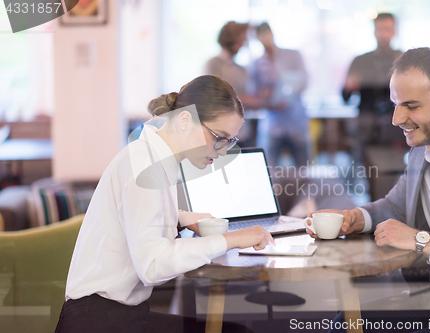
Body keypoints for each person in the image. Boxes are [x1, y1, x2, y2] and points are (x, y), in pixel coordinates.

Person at [55, 75, 275, 333]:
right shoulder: (146, 165)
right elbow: (153, 265)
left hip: (118, 315)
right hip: (98, 322)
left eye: (230, 141)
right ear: (184, 120)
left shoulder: (154, 158)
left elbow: (135, 215)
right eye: (219, 137)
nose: (223, 151)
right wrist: (234, 238)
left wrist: (179, 216)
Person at [310, 48, 430, 332]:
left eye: (411, 106)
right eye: (395, 105)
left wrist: (422, 241)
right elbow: (397, 205)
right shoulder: (423, 143)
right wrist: (354, 217)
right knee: (345, 321)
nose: (397, 119)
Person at [342, 13, 404, 181]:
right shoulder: (360, 61)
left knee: (396, 176)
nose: (383, 34)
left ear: (394, 31)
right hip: (367, 129)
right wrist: (350, 86)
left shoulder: (403, 60)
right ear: (374, 31)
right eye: (380, 29)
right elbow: (345, 96)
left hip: (395, 128)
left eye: (387, 29)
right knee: (369, 175)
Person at [252, 22, 309, 168]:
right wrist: (265, 95)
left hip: (295, 120)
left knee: (304, 168)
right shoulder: (257, 64)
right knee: (267, 167)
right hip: (272, 122)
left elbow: (304, 81)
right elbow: (253, 93)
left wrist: (286, 92)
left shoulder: (292, 55)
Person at [204, 21, 266, 147]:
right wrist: (249, 100)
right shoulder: (213, 64)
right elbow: (216, 98)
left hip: (243, 133)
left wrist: (261, 99)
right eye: (241, 40)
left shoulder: (242, 70)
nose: (243, 44)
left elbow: (249, 100)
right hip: (221, 135)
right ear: (230, 39)